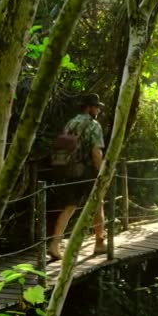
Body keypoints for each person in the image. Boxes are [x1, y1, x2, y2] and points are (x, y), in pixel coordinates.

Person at [48, 93, 106, 260]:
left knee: (69, 206)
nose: (98, 110)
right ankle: (99, 243)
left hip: (67, 169)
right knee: (98, 203)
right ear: (89, 108)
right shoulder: (93, 125)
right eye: (97, 107)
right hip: (85, 171)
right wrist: (101, 172)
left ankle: (54, 244)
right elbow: (96, 151)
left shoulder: (71, 122)